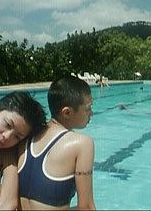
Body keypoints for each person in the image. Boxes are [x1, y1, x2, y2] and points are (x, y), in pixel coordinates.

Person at [18, 76, 96, 210]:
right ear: (67, 112)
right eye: (88, 109)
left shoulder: (26, 136)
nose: (91, 114)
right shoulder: (82, 144)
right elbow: (86, 207)